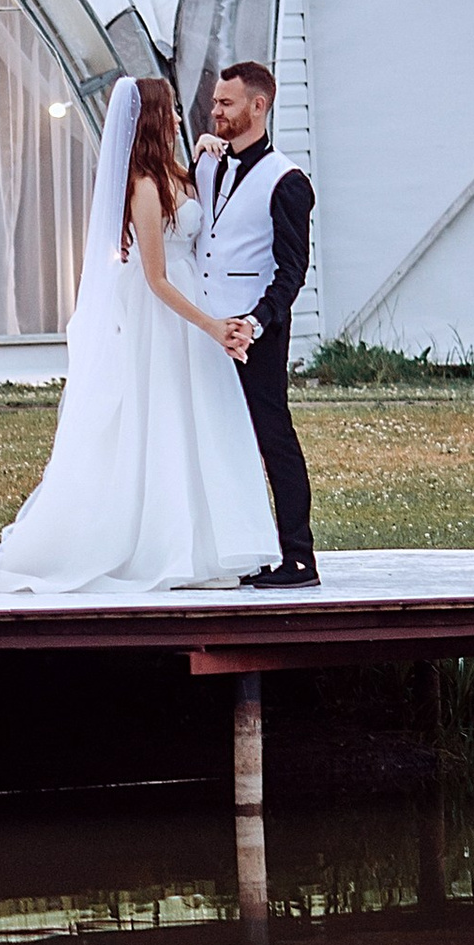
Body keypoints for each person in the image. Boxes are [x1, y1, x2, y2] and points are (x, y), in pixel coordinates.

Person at [0, 73, 276, 594]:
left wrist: (204, 153)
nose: (183, 119)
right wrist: (210, 327)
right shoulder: (144, 186)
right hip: (164, 316)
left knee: (200, 423)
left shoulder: (179, 173)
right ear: (155, 119)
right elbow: (156, 279)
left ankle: (206, 547)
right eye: (173, 112)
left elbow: (201, 205)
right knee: (161, 423)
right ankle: (163, 546)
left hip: (191, 307)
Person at [196, 60, 317, 587]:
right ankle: (230, 551)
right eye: (216, 102)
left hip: (255, 333)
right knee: (213, 437)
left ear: (258, 106)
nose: (215, 110)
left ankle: (298, 558)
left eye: (225, 103)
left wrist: (256, 321)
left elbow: (293, 272)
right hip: (202, 327)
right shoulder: (207, 164)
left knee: (273, 438)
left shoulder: (287, 182)